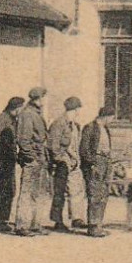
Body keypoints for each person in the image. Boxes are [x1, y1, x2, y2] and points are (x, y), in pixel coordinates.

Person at [14, 87, 50, 236]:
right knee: (27, 192)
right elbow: (23, 139)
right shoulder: (27, 114)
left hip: (40, 158)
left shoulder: (36, 113)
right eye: (43, 98)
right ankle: (22, 225)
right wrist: (31, 157)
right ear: (37, 99)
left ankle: (35, 224)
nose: (45, 101)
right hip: (33, 160)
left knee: (39, 193)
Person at [0, 96, 25, 232]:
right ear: (16, 108)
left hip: (7, 161)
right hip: (0, 161)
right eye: (21, 107)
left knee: (9, 190)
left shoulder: (11, 120)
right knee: (4, 191)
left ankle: (2, 220)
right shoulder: (2, 119)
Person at [48, 96, 85, 231]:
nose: (77, 114)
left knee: (77, 190)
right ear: (71, 110)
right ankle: (58, 221)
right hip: (62, 163)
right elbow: (53, 145)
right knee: (60, 193)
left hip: (74, 163)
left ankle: (77, 218)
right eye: (76, 111)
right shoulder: (58, 124)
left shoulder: (75, 126)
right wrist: (61, 159)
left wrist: (75, 160)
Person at [79, 104, 115, 238]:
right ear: (105, 116)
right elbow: (84, 149)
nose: (112, 120)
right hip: (95, 163)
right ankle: (93, 226)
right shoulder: (90, 128)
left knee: (104, 194)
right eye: (111, 117)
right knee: (94, 194)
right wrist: (92, 163)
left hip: (105, 162)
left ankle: (99, 224)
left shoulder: (105, 128)